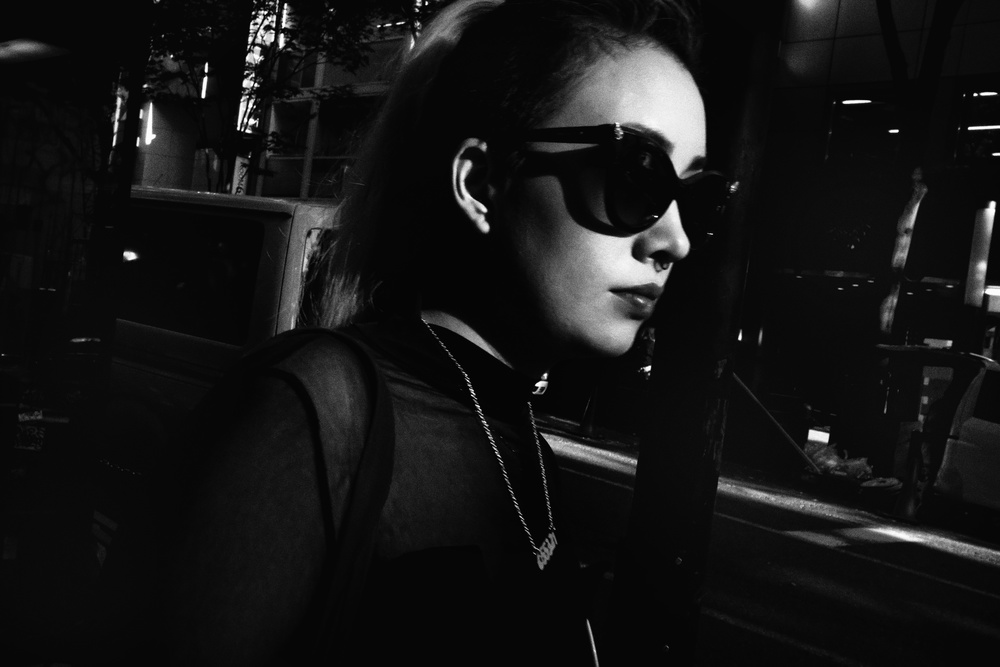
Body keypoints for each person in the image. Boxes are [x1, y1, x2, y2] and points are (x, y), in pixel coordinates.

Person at [120, 0, 731, 664]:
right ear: (481, 183)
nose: (675, 240)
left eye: (696, 197)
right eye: (636, 174)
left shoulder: (522, 442)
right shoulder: (314, 411)